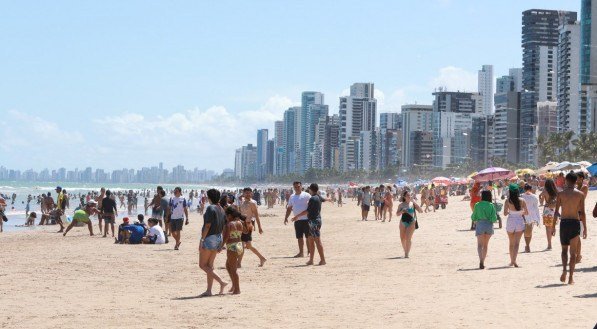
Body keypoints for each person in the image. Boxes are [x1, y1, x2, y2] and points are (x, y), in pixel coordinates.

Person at [554, 172, 587, 285]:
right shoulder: (580, 194)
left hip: (564, 223)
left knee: (564, 250)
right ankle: (571, 277)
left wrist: (553, 226)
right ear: (576, 181)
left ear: (566, 181)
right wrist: (585, 228)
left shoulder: (561, 194)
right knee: (573, 253)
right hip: (575, 223)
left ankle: (564, 270)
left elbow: (556, 212)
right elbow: (582, 213)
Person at [198, 189, 228, 297]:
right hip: (218, 237)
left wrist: (202, 240)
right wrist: (222, 242)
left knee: (202, 265)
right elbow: (225, 227)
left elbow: (207, 225)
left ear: (209, 197)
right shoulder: (221, 209)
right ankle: (209, 290)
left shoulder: (211, 208)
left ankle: (221, 282)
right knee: (210, 266)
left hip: (210, 237)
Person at [292, 183, 326, 265]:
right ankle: (311, 260)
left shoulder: (313, 199)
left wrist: (297, 216)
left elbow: (307, 211)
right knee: (310, 240)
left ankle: (323, 260)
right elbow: (324, 199)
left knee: (317, 241)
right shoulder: (318, 197)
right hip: (313, 221)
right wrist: (329, 199)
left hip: (314, 221)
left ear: (311, 189)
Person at [238, 187, 266, 267]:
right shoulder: (242, 202)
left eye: (249, 193)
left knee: (245, 245)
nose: (247, 194)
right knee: (244, 245)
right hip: (241, 225)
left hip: (248, 225)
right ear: (243, 193)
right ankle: (261, 258)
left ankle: (239, 263)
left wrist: (260, 227)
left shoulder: (253, 203)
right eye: (246, 193)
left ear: (251, 194)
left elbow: (256, 216)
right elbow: (240, 214)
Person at [503, 184, 529, 268]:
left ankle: (511, 261)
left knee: (511, 243)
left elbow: (504, 213)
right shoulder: (522, 200)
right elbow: (527, 213)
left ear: (510, 191)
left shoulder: (507, 201)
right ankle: (514, 260)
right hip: (519, 221)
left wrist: (511, 212)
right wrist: (520, 212)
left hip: (511, 221)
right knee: (517, 243)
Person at [284, 181, 311, 258]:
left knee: (308, 237)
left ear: (301, 186)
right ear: (293, 187)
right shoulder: (292, 197)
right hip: (297, 220)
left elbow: (310, 207)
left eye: (298, 186)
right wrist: (286, 218)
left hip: (306, 219)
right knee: (299, 237)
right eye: (295, 187)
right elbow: (289, 208)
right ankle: (301, 252)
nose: (297, 188)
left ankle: (309, 251)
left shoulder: (307, 195)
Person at [471, 191, 497, 269]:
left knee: (479, 245)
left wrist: (476, 220)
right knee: (485, 245)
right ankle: (483, 261)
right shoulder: (491, 205)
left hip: (480, 225)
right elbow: (494, 218)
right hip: (489, 225)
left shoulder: (477, 205)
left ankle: (481, 260)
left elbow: (473, 217)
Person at [222, 207, 244, 294]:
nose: (225, 218)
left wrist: (220, 246)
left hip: (232, 247)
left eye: (226, 216)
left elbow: (226, 237)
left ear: (230, 215)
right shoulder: (240, 223)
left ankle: (237, 289)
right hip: (239, 245)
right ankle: (234, 285)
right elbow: (245, 232)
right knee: (228, 266)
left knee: (233, 269)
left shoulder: (229, 224)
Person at [396, 191, 423, 258]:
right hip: (403, 222)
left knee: (408, 238)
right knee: (402, 239)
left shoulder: (413, 204)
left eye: (410, 195)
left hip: (411, 222)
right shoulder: (401, 205)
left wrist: (416, 204)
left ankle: (406, 253)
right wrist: (402, 211)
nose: (409, 196)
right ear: (404, 197)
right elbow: (397, 214)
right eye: (408, 195)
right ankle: (405, 250)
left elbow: (421, 211)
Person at [539, 179, 558, 250]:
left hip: (547, 211)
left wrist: (540, 196)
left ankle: (549, 245)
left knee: (547, 228)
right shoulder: (556, 191)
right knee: (552, 225)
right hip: (554, 211)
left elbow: (541, 202)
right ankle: (554, 229)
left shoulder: (544, 191)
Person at [521, 184, 540, 253]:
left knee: (526, 232)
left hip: (523, 215)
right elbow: (536, 208)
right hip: (532, 216)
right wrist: (538, 218)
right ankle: (527, 245)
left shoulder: (521, 196)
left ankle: (527, 245)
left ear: (524, 189)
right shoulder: (534, 197)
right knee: (529, 231)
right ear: (531, 189)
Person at [574, 172, 589, 264]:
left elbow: (580, 199)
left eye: (577, 178)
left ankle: (578, 255)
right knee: (574, 236)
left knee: (577, 235)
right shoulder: (575, 188)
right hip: (574, 212)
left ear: (581, 178)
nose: (575, 180)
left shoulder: (584, 187)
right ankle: (577, 254)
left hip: (579, 212)